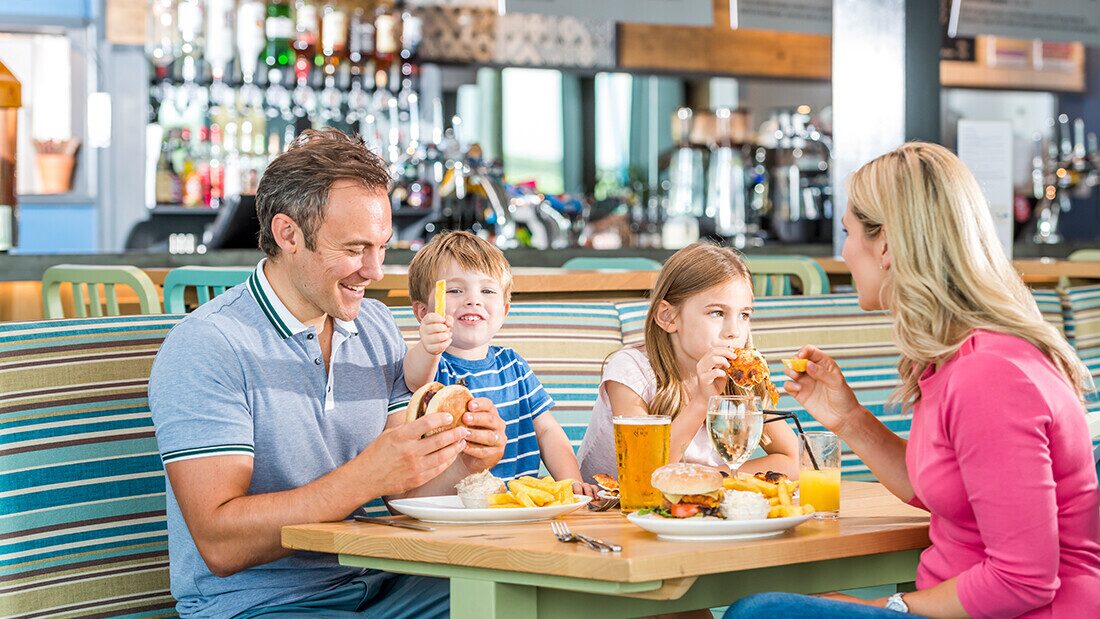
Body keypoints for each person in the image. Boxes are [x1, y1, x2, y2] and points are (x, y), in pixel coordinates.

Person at [726, 142, 1100, 618]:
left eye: (848, 233)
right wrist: (849, 418)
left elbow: (1022, 581)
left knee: (761, 614)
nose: (843, 253)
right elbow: (942, 492)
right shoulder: (955, 359)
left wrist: (885, 606)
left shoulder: (991, 377)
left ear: (885, 245)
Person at [149, 129, 506, 618]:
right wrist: (363, 478)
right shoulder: (209, 346)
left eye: (382, 247)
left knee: (521, 601)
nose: (375, 271)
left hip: (376, 583)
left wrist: (467, 462)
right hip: (260, 606)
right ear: (288, 234)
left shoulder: (375, 326)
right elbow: (221, 542)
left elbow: (402, 494)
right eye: (356, 249)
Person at [578, 242, 800, 483]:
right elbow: (643, 472)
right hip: (616, 503)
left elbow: (793, 460)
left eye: (744, 315)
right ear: (668, 317)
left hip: (695, 501)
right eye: (717, 313)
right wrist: (701, 402)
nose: (734, 331)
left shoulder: (740, 380)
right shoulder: (632, 370)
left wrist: (712, 476)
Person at [403, 230, 598, 496]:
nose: (473, 300)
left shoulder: (514, 366)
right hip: (454, 508)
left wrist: (571, 482)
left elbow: (547, 431)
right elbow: (414, 379)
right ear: (423, 312)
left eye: (487, 290)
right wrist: (429, 347)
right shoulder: (432, 365)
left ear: (504, 310)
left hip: (519, 504)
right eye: (455, 290)